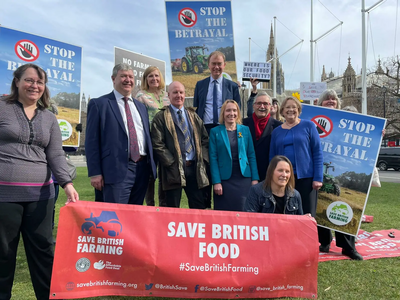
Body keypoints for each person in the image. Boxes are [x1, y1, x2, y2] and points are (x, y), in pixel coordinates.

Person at [0, 63, 79, 300]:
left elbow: (55, 154)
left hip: (42, 196)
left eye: (40, 82)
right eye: (29, 80)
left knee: (44, 252)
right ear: (17, 81)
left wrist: (67, 183)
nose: (35, 85)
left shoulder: (49, 117)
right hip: (5, 197)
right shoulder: (2, 108)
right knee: (3, 254)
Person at [86, 63, 156, 204]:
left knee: (134, 218)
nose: (128, 80)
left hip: (142, 170)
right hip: (115, 170)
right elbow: (91, 141)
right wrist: (95, 173)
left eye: (130, 77)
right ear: (113, 78)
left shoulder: (141, 107)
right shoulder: (99, 104)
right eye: (123, 76)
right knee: (115, 219)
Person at [317, 89, 363, 260]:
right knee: (319, 205)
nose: (330, 101)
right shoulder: (315, 121)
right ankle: (324, 241)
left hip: (336, 162)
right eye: (326, 99)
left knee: (343, 206)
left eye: (333, 99)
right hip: (317, 167)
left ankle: (347, 246)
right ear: (320, 103)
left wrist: (379, 133)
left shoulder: (347, 122)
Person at [193, 50, 241, 208]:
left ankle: (225, 204)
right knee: (205, 167)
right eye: (213, 64)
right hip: (205, 131)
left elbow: (237, 110)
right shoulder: (200, 85)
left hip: (224, 130)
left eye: (219, 64)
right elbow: (196, 108)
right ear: (208, 65)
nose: (216, 67)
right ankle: (206, 205)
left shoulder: (232, 86)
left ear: (224, 65)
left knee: (224, 164)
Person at [151, 81, 209, 209]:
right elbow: (157, 143)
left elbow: (205, 140)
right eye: (175, 92)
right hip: (173, 170)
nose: (179, 95)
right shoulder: (160, 117)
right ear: (168, 95)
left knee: (198, 210)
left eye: (181, 92)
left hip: (194, 169)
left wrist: (203, 159)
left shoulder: (194, 116)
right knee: (171, 210)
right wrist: (171, 163)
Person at [269, 96, 323, 218]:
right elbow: (272, 157)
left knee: (307, 214)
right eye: (287, 107)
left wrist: (318, 177)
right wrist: (273, 177)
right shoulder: (276, 131)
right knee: (286, 213)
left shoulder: (308, 126)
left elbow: (317, 152)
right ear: (282, 111)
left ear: (299, 110)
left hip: (306, 178)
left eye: (294, 107)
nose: (291, 110)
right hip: (284, 179)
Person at [209, 100, 259, 211]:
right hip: (224, 180)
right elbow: (213, 158)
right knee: (224, 213)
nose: (231, 113)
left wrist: (255, 179)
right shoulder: (215, 132)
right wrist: (216, 182)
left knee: (243, 210)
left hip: (243, 179)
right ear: (223, 113)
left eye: (234, 110)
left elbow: (251, 155)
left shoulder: (245, 130)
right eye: (228, 110)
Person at [136, 66, 170, 207]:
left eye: (156, 76)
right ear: (146, 79)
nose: (154, 79)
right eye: (150, 76)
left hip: (166, 140)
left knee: (165, 174)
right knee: (150, 175)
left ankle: (163, 206)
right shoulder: (140, 96)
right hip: (149, 139)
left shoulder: (166, 95)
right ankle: (150, 205)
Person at [243, 91, 282, 181]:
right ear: (253, 106)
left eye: (265, 104)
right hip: (246, 173)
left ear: (270, 106)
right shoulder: (243, 124)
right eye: (259, 103)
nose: (262, 107)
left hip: (269, 173)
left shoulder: (278, 126)